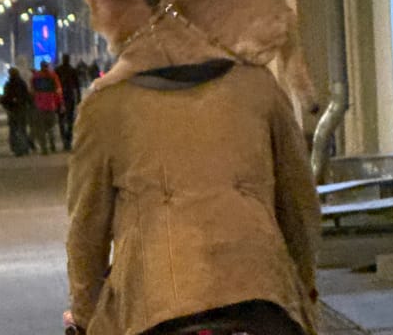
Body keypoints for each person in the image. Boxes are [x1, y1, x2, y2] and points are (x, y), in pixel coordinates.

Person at [65, 55, 320, 335]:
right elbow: (299, 205)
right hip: (260, 298)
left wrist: (84, 317)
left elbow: (86, 232)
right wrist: (304, 289)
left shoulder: (105, 105)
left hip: (154, 306)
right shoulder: (259, 87)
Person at [30, 61, 62, 154]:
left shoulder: (35, 77)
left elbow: (32, 91)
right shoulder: (53, 76)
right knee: (51, 127)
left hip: (39, 105)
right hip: (51, 105)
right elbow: (58, 90)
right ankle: (52, 144)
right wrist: (60, 103)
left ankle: (44, 148)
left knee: (41, 129)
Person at [1, 66, 32, 156]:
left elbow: (6, 97)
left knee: (14, 130)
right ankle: (24, 148)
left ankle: (16, 148)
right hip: (21, 109)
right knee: (22, 129)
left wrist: (6, 104)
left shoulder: (8, 84)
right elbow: (27, 96)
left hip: (13, 109)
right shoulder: (22, 83)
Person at [55, 53, 81, 151]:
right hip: (69, 97)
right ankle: (68, 140)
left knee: (62, 120)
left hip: (61, 98)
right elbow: (77, 86)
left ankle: (65, 140)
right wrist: (79, 98)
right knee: (69, 120)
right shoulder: (72, 70)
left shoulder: (58, 70)